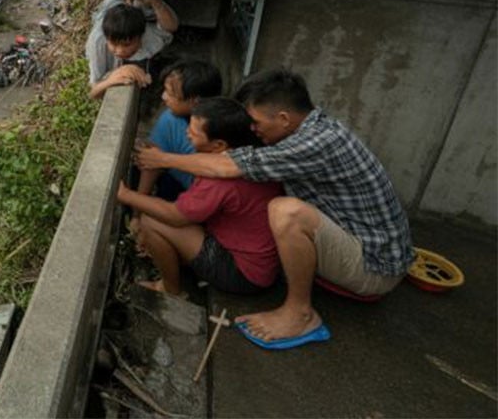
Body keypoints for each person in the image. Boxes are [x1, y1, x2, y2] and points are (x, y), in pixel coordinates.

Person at [135, 68, 415, 350]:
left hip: (375, 266)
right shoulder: (313, 127)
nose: (252, 129)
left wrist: (162, 159)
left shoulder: (312, 143)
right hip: (364, 245)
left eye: (255, 121)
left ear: (283, 118)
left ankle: (300, 313)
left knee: (286, 212)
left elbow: (227, 164)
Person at [118, 98, 282, 297]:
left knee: (151, 222)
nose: (187, 134)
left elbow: (174, 215)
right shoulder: (250, 156)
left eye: (194, 133)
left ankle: (171, 290)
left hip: (243, 272)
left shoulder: (220, 179)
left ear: (218, 144)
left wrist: (126, 195)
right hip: (260, 262)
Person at [137, 59, 223, 202]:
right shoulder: (170, 119)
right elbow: (151, 163)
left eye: (171, 94)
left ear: (195, 101)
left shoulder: (221, 129)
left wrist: (136, 209)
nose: (163, 97)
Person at [85, 0, 178, 100]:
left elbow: (171, 27)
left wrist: (154, 1)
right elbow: (94, 92)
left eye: (127, 44)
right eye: (113, 44)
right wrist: (113, 78)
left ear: (141, 37)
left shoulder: (148, 35)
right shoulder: (98, 42)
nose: (119, 51)